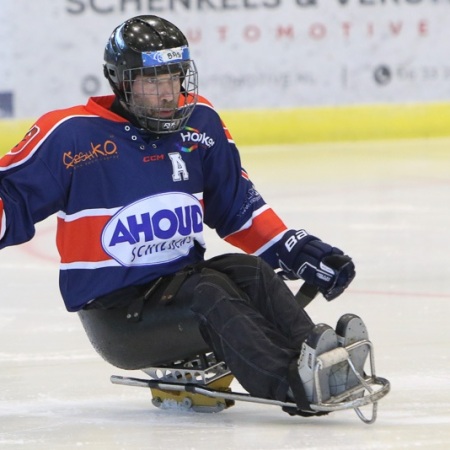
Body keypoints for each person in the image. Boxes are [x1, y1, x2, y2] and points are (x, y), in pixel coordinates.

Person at [0, 15, 366, 417]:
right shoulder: (72, 135)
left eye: (173, 78)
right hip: (118, 317)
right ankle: (292, 385)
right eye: (151, 81)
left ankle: (322, 359)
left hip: (178, 285)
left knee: (250, 272)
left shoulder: (200, 122)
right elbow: (11, 198)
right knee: (209, 292)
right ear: (120, 81)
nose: (167, 94)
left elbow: (236, 205)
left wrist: (294, 250)